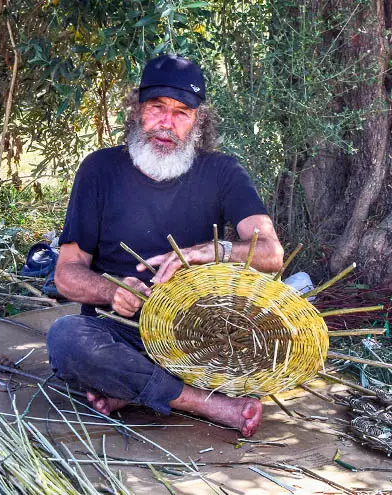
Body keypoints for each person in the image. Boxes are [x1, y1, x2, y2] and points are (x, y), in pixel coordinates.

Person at [46, 55, 284, 438]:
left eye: (182, 112)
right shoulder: (99, 170)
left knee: (259, 343)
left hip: (198, 335)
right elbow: (66, 274)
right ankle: (207, 404)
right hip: (118, 331)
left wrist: (210, 251)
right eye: (156, 108)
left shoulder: (223, 172)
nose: (166, 124)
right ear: (137, 109)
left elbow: (271, 253)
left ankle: (136, 388)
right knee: (66, 340)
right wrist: (112, 291)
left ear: (199, 121)